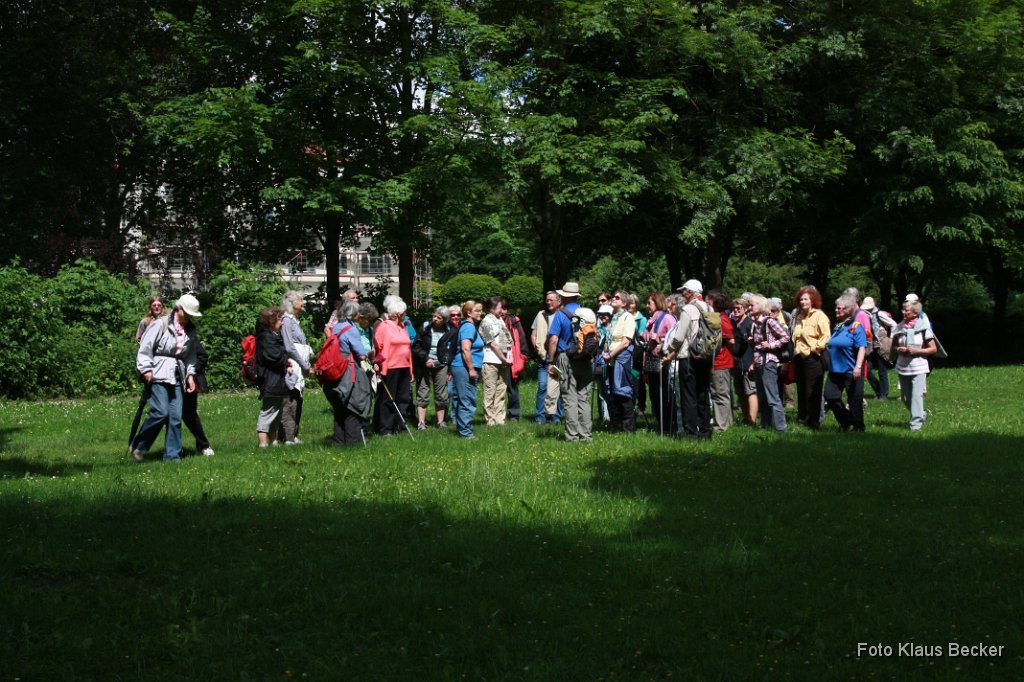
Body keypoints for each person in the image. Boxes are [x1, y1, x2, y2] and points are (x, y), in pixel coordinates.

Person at [131, 294, 201, 462]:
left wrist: (190, 375)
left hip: (177, 374)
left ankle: (172, 457)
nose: (189, 317)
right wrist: (146, 369)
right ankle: (139, 446)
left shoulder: (190, 330)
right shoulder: (160, 324)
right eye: (187, 313)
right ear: (179, 308)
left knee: (175, 416)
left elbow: (190, 356)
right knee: (161, 412)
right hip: (158, 372)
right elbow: (145, 347)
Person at [663, 280, 713, 439]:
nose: (683, 294)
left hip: (689, 356)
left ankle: (691, 432)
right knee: (703, 393)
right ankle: (705, 431)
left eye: (684, 291)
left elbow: (679, 336)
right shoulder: (709, 308)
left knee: (688, 395)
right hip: (705, 356)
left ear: (691, 292)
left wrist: (668, 349)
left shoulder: (688, 309)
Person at [547, 281, 593, 442]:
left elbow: (553, 340)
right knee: (583, 399)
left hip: (566, 358)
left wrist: (551, 361)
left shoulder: (560, 314)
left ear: (564, 297)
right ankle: (586, 435)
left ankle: (572, 436)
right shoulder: (587, 314)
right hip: (585, 358)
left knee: (570, 398)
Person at [324, 299, 372, 446]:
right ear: (354, 314)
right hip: (348, 370)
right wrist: (369, 355)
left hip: (335, 369)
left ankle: (339, 441)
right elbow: (361, 354)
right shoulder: (351, 329)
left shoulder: (337, 326)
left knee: (340, 408)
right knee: (353, 406)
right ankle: (352, 442)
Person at [825, 294, 868, 432]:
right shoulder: (838, 327)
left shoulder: (856, 327)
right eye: (836, 308)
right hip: (835, 370)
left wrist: (858, 367)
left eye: (839, 308)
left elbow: (862, 347)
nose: (836, 310)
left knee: (855, 399)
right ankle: (846, 420)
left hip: (851, 370)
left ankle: (858, 427)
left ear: (848, 310)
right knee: (830, 397)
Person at [893, 299, 937, 431]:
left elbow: (933, 349)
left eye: (906, 310)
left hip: (919, 366)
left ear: (915, 313)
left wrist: (918, 351)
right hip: (903, 366)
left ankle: (916, 426)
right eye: (903, 309)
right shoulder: (899, 327)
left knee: (917, 396)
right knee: (905, 398)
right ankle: (921, 414)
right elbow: (894, 345)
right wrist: (898, 349)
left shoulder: (924, 327)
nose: (903, 312)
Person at [791, 285, 830, 429]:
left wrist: (815, 348)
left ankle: (814, 421)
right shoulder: (799, 317)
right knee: (801, 389)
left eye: (806, 299)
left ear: (813, 300)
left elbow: (826, 336)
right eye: (801, 299)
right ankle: (803, 417)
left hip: (813, 358)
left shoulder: (819, 316)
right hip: (799, 357)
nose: (803, 302)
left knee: (812, 391)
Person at [373, 297, 413, 436]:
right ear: (397, 314)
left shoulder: (402, 327)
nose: (405, 315)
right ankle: (385, 428)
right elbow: (377, 346)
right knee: (388, 398)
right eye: (404, 313)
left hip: (404, 366)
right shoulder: (384, 326)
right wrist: (377, 363)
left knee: (403, 398)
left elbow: (407, 349)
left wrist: (411, 370)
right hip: (390, 367)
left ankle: (398, 424)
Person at [411, 305, 456, 430]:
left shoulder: (450, 330)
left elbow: (452, 350)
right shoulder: (425, 327)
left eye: (439, 317)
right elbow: (416, 347)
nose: (435, 319)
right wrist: (425, 358)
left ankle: (440, 422)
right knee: (423, 392)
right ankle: (421, 422)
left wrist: (449, 368)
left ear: (445, 320)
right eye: (434, 316)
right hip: (425, 364)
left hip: (441, 365)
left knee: (441, 394)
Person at [750, 294, 789, 433]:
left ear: (761, 306)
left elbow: (785, 337)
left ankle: (781, 428)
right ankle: (765, 425)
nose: (750, 307)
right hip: (758, 362)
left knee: (772, 397)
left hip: (768, 362)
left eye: (752, 305)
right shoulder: (755, 323)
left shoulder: (769, 321)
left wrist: (771, 345)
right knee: (762, 397)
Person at [281, 291, 313, 445]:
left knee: (297, 399)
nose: (303, 303)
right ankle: (287, 437)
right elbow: (289, 347)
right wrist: (304, 364)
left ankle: (293, 434)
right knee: (291, 400)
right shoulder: (286, 320)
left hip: (299, 365)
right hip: (293, 366)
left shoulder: (294, 320)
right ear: (291, 302)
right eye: (301, 300)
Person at [642, 291, 676, 434]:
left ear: (657, 302)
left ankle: (669, 424)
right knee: (654, 394)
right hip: (651, 360)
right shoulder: (652, 320)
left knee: (664, 393)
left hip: (663, 360)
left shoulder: (667, 318)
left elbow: (674, 339)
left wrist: (659, 340)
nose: (647, 306)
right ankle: (660, 422)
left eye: (649, 303)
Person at [255, 306, 290, 448]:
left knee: (277, 411)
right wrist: (286, 359)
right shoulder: (266, 337)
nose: (282, 322)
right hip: (270, 379)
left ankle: (274, 441)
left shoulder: (273, 336)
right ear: (271, 321)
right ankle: (263, 443)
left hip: (277, 379)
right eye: (279, 319)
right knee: (268, 410)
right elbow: (273, 356)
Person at [450, 300, 484, 438]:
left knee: (463, 398)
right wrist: (471, 369)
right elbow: (465, 349)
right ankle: (466, 433)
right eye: (477, 311)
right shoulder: (468, 327)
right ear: (468, 313)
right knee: (467, 399)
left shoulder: (468, 326)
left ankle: (462, 428)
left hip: (462, 367)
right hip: (464, 367)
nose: (480, 313)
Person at [479, 296, 513, 426]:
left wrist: (509, 357)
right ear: (492, 308)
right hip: (491, 361)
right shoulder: (486, 322)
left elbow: (508, 340)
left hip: (503, 362)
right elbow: (492, 344)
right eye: (499, 308)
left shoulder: (500, 320)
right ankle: (490, 420)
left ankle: (500, 419)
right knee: (490, 392)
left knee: (501, 391)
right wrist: (504, 359)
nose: (502, 310)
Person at [605, 291, 636, 432]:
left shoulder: (627, 317)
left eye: (617, 297)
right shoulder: (614, 318)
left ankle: (628, 427)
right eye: (613, 296)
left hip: (621, 359)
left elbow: (625, 342)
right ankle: (616, 425)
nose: (613, 298)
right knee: (613, 393)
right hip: (611, 360)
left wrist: (611, 354)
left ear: (624, 303)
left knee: (623, 392)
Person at [530, 291, 563, 424]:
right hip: (543, 356)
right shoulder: (541, 314)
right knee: (543, 386)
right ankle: (540, 417)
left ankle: (556, 417)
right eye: (547, 300)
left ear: (558, 301)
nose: (548, 302)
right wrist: (537, 348)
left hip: (558, 357)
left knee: (558, 388)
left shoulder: (562, 315)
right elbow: (533, 334)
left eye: (551, 300)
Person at [706, 290, 734, 432]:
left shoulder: (722, 319)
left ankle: (721, 426)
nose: (707, 302)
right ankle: (726, 421)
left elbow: (731, 340)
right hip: (716, 361)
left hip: (721, 361)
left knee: (720, 393)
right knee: (718, 392)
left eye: (709, 300)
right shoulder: (715, 317)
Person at [182, 332, 214, 456]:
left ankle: (204, 445)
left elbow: (202, 356)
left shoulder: (189, 337)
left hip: (189, 382)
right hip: (170, 380)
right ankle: (173, 450)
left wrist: (191, 372)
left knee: (189, 415)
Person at [731, 297, 758, 426]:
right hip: (737, 363)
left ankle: (752, 420)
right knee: (740, 391)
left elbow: (756, 345)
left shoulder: (750, 324)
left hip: (748, 362)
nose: (735, 310)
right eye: (734, 308)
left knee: (750, 391)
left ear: (746, 309)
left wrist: (753, 362)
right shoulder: (734, 324)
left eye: (738, 308)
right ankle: (746, 417)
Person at [502, 298, 529, 422]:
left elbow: (522, 339)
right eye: (500, 308)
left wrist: (523, 356)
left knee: (512, 388)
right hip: (496, 359)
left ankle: (514, 415)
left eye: (505, 308)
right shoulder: (491, 322)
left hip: (512, 359)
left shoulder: (514, 322)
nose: (502, 311)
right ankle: (498, 414)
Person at [861, 296, 890, 400]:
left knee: (882, 370)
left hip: (880, 344)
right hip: (870, 345)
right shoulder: (864, 315)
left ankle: (883, 395)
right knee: (867, 370)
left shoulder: (880, 314)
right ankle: (879, 390)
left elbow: (893, 324)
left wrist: (891, 338)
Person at [627, 293, 648, 418]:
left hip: (637, 354)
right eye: (628, 303)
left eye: (632, 303)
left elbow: (641, 336)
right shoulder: (624, 317)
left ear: (636, 304)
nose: (630, 305)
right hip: (627, 352)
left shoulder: (642, 319)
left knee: (638, 381)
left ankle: (641, 406)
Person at [595, 304, 614, 424]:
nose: (602, 317)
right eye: (600, 315)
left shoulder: (614, 329)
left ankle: (613, 416)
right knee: (602, 390)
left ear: (610, 316)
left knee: (610, 389)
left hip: (611, 363)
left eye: (605, 315)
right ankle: (605, 418)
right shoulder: (598, 330)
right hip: (600, 363)